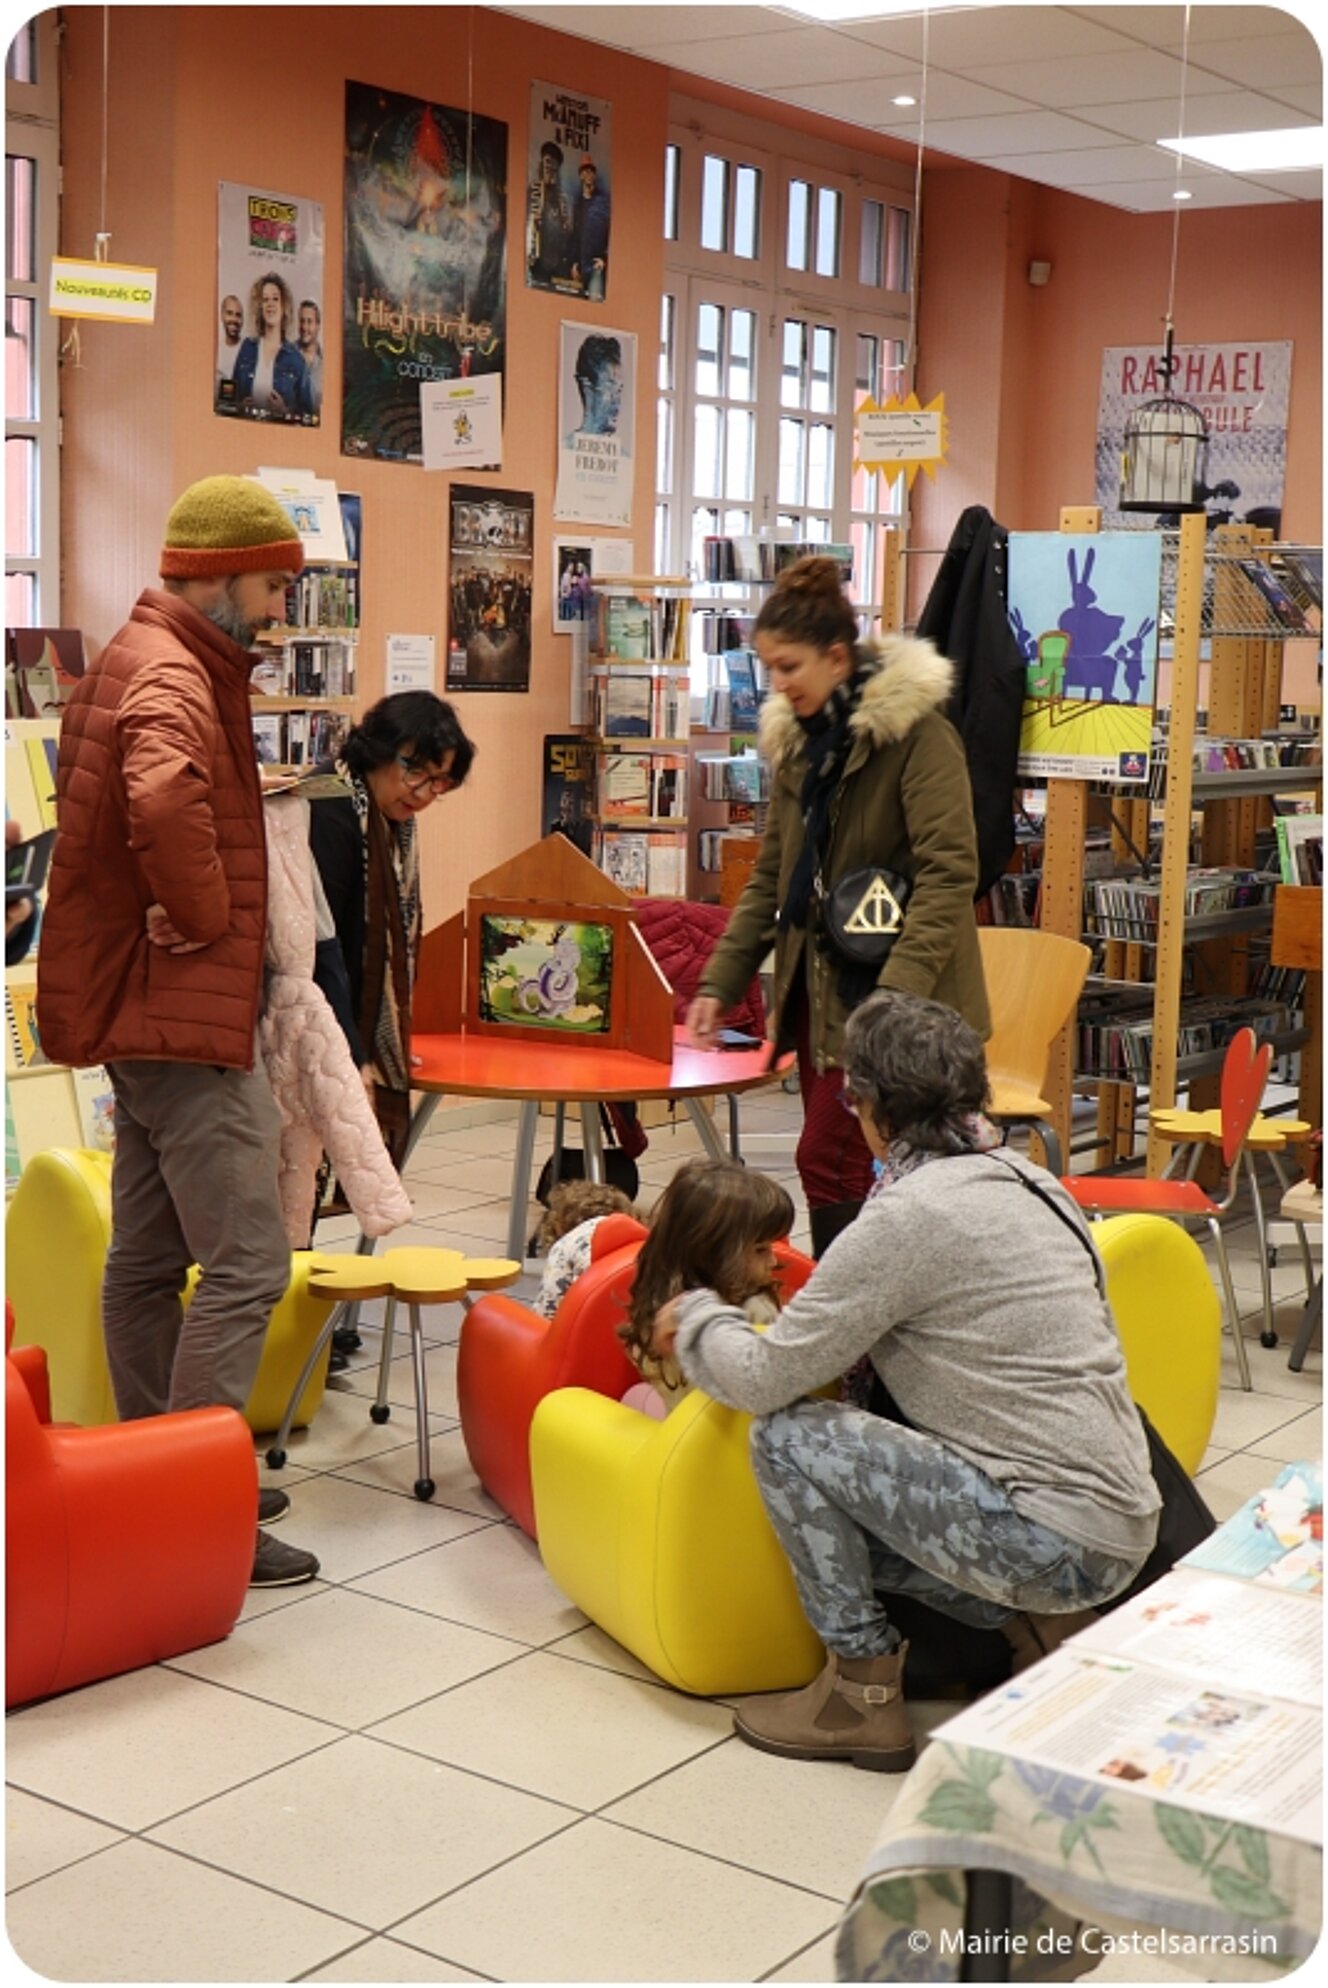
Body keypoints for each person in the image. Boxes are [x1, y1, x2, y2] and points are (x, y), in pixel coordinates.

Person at [650, 992, 1160, 1771]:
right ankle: (1044, 1629)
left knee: (788, 1439)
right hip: (1125, 1521)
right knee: (857, 1497)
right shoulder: (1038, 1184)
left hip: (1050, 1538)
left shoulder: (904, 1217)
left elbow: (762, 1379)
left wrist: (694, 1316)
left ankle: (859, 1695)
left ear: (872, 1109)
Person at [36, 474, 321, 1588]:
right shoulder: (173, 674)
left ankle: (158, 1467)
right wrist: (204, 916)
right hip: (182, 1014)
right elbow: (160, 800)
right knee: (248, 1261)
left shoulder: (143, 654)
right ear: (219, 576)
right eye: (271, 586)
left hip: (143, 1014)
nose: (280, 609)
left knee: (148, 1259)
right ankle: (197, 1503)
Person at [686, 554, 989, 1258]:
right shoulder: (801, 748)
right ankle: (876, 1305)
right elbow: (773, 876)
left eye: (790, 666)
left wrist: (890, 1007)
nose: (779, 684)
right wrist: (721, 981)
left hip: (904, 1008)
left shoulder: (918, 737)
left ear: (836, 657)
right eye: (770, 669)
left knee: (833, 1158)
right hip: (823, 999)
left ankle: (856, 1310)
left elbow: (950, 876)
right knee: (848, 1164)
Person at [304, 691, 476, 1174]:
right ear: (378, 750)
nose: (423, 793)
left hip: (338, 1020)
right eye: (414, 771)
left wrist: (385, 1041)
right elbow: (323, 947)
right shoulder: (328, 806)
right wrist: (353, 1053)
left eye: (440, 782)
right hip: (313, 1019)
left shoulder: (387, 820)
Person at [622, 1157, 794, 1415]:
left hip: (685, 1422)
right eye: (761, 1250)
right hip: (721, 1433)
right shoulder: (755, 1312)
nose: (773, 1260)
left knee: (635, 1396)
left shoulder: (658, 1304)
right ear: (711, 1254)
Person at [532, 1178, 637, 1322]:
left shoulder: (566, 1245)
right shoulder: (637, 1241)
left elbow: (547, 1313)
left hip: (582, 1329)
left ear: (558, 1223)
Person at [231, 271, 314, 420]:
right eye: (265, 299)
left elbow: (309, 418)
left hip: (278, 435)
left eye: (275, 299)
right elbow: (228, 399)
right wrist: (239, 407)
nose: (270, 304)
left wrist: (284, 412)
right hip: (243, 431)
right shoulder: (247, 347)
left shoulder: (297, 360)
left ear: (284, 306)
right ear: (260, 307)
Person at [527, 139, 571, 287]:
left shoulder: (562, 198)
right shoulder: (532, 190)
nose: (549, 167)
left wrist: (565, 228)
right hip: (538, 258)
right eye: (547, 161)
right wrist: (533, 220)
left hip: (557, 259)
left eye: (553, 164)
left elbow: (566, 230)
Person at [566, 332, 622, 444]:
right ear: (588, 390)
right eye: (610, 388)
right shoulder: (567, 446)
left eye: (619, 390)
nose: (617, 402)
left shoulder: (624, 453)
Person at [571, 154, 610, 300]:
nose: (588, 175)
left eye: (591, 171)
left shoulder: (603, 202)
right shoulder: (577, 203)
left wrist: (604, 259)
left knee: (595, 300)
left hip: (596, 264)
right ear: (581, 175)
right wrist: (574, 262)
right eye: (585, 171)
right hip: (581, 264)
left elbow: (609, 231)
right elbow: (575, 234)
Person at [296, 299, 323, 412]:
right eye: (302, 321)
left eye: (309, 321)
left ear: (318, 325)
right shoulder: (286, 356)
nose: (304, 327)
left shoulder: (328, 363)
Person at [216, 292, 243, 385]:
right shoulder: (215, 350)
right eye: (229, 313)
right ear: (222, 315)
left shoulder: (248, 350)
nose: (234, 319)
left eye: (238, 315)